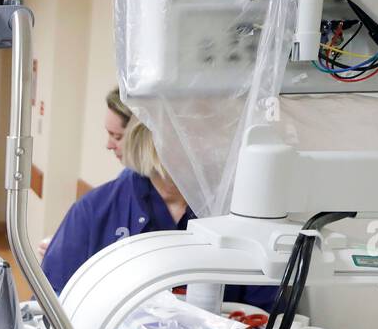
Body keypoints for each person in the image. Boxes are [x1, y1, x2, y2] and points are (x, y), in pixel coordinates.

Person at [41, 119, 279, 309]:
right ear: (147, 145)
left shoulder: (233, 216)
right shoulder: (94, 210)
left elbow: (266, 309)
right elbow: (51, 300)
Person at [36, 87, 132, 259]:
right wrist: (69, 247)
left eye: (117, 137)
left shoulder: (186, 194)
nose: (109, 145)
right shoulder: (126, 182)